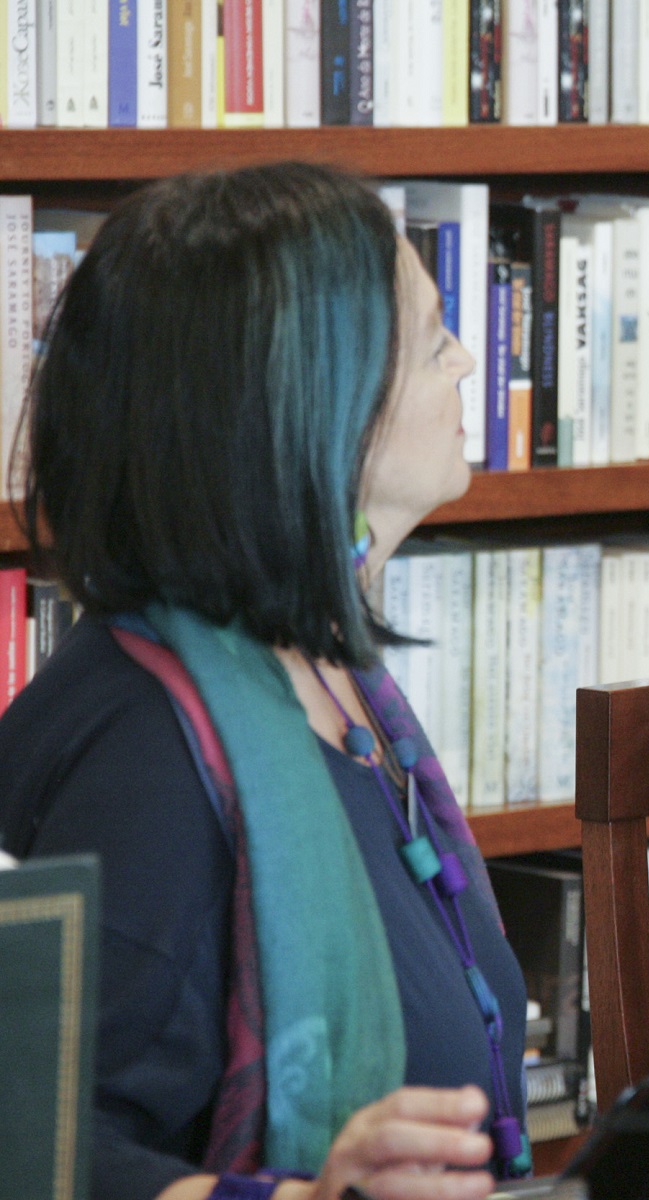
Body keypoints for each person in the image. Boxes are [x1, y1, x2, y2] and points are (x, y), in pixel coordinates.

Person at [0, 163, 525, 1200]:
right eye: (430, 343)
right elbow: (38, 1153)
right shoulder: (141, 752)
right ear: (305, 416)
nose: (467, 360)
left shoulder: (331, 678)